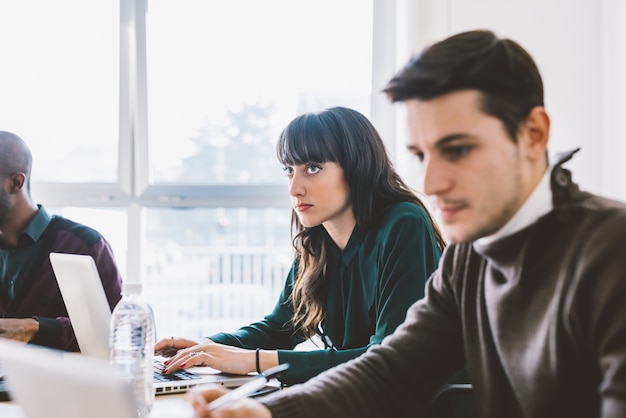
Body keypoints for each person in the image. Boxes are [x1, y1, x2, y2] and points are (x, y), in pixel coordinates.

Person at [186, 29, 626, 418]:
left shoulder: (611, 250)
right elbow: (391, 371)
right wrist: (266, 412)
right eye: (421, 155)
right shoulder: (468, 258)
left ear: (533, 134)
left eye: (457, 150)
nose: (431, 182)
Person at [155, 106, 445, 385]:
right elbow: (281, 327)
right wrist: (208, 347)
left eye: (313, 168)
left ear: (358, 168)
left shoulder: (403, 223)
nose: (294, 188)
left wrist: (254, 361)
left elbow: (390, 361)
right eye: (288, 170)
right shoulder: (317, 239)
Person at [0, 131, 123, 351]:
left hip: (55, 383)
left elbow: (117, 333)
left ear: (16, 183)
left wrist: (35, 328)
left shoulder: (84, 245)